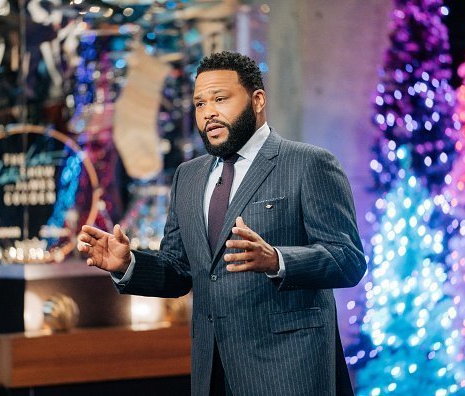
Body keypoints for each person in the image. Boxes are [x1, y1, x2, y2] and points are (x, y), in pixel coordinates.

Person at [77, 51, 366, 396]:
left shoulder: (308, 164)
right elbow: (179, 270)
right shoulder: (189, 176)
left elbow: (347, 260)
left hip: (289, 374)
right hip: (212, 374)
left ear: (257, 100)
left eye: (220, 99)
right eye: (199, 104)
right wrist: (128, 264)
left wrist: (277, 260)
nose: (208, 112)